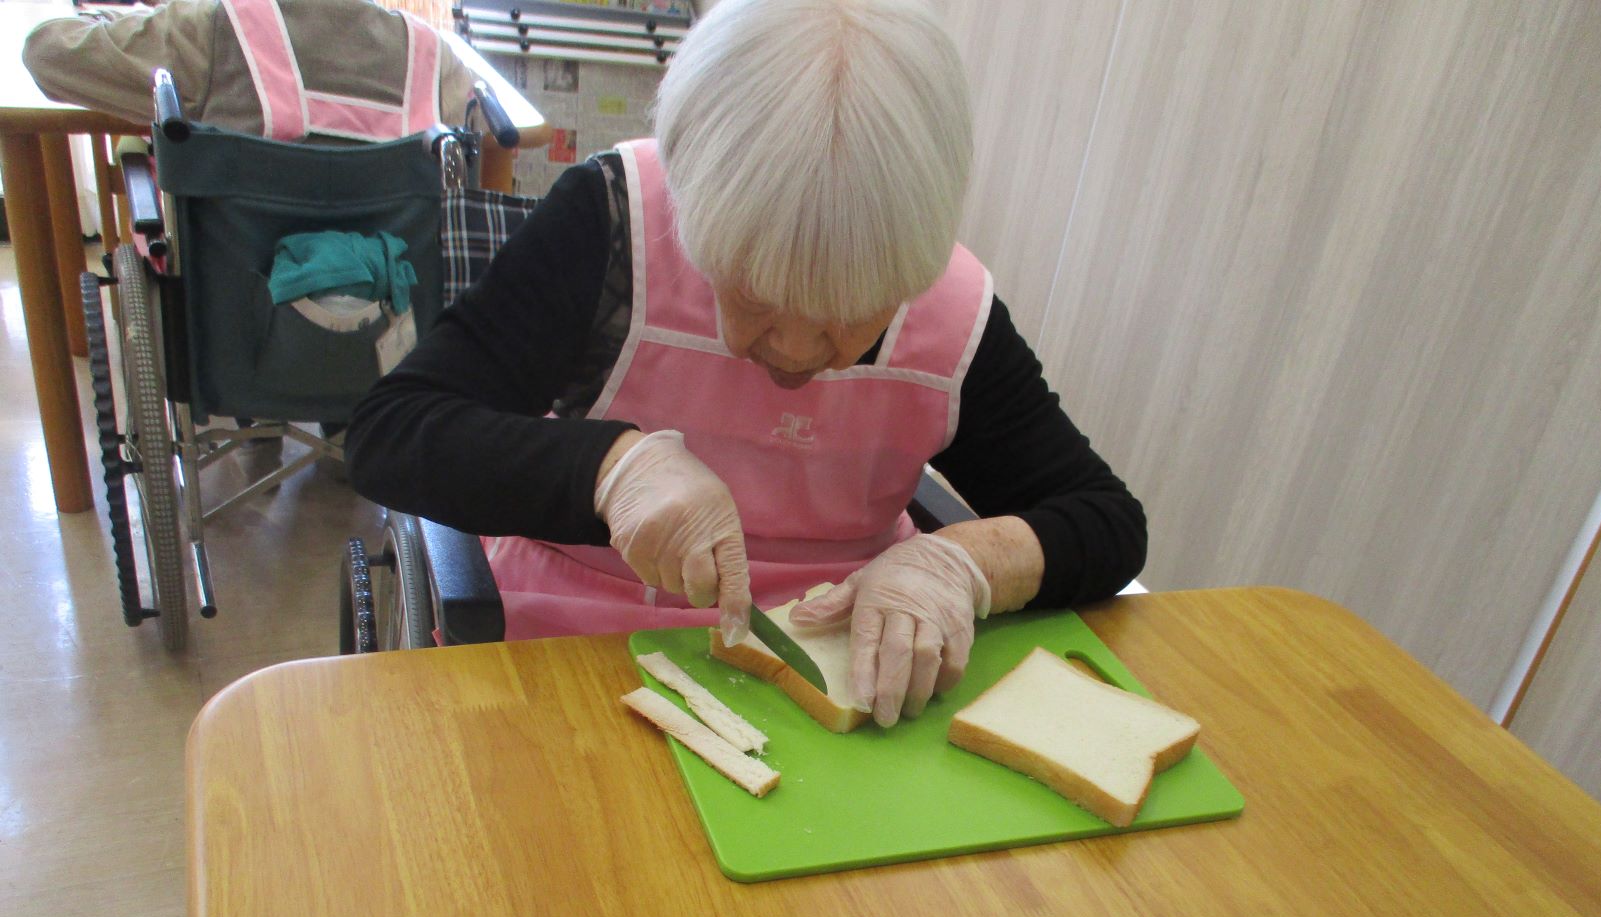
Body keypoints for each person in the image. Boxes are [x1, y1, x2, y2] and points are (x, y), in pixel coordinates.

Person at [346, 0, 1148, 728]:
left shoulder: (951, 309)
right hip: (575, 655)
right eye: (753, 295)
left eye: (849, 315)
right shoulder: (614, 224)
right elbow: (393, 431)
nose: (795, 353)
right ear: (693, 213)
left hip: (834, 681)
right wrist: (608, 470)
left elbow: (1106, 520)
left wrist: (962, 563)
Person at [23, 0, 475, 142]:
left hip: (233, 302)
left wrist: (113, 18)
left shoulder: (209, 29)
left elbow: (47, 53)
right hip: (398, 308)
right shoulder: (434, 57)